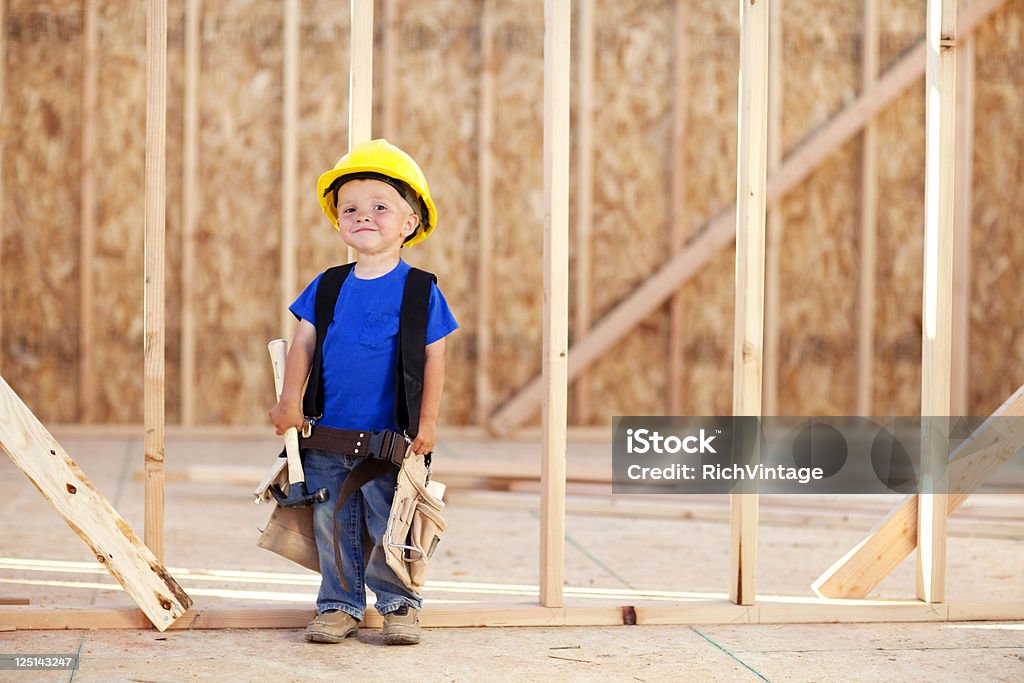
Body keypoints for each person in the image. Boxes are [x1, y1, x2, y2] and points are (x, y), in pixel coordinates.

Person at [268, 139, 458, 646]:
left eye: (380, 207)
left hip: (390, 440)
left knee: (389, 521)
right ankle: (339, 605)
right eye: (349, 208)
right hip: (327, 436)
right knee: (333, 523)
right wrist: (290, 400)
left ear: (409, 223)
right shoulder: (328, 286)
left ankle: (398, 605)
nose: (363, 216)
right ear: (338, 223)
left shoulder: (420, 290)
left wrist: (430, 421)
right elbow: (303, 344)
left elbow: (435, 356)